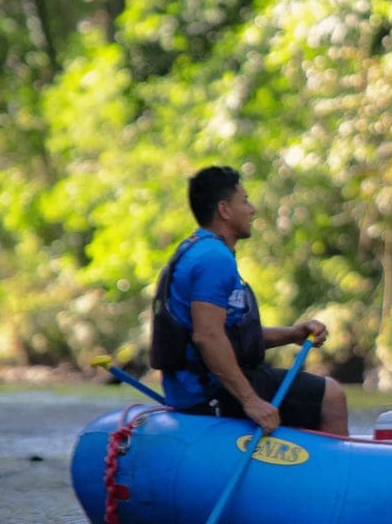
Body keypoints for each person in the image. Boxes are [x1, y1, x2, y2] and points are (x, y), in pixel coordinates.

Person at [149, 166, 348, 435]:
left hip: (194, 387)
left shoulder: (197, 248)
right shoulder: (214, 259)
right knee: (331, 396)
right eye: (244, 201)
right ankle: (334, 474)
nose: (252, 209)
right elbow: (207, 337)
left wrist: (292, 334)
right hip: (207, 391)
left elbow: (230, 338)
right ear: (224, 210)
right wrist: (251, 401)